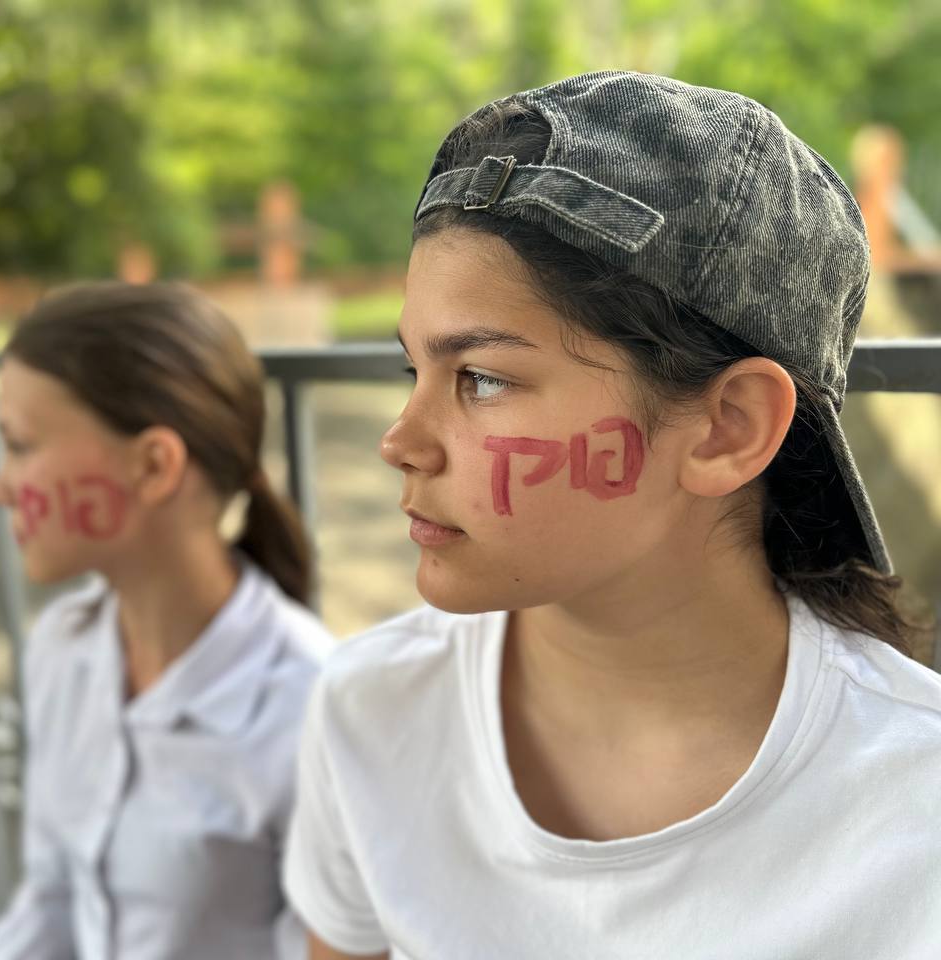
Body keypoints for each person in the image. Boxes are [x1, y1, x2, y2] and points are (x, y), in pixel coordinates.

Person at [283, 71, 941, 958]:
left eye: (483, 378)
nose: (401, 441)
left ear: (729, 427)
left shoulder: (915, 810)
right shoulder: (372, 713)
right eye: (415, 370)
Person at [0, 282, 330, 959]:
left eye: (20, 446)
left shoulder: (310, 710)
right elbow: (51, 896)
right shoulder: (63, 646)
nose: (0, 488)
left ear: (153, 465)